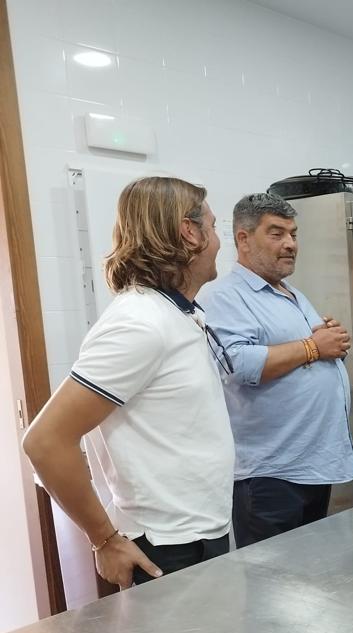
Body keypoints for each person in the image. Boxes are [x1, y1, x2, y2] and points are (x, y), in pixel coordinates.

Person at [22, 176, 234, 589]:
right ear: (190, 233)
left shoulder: (179, 313)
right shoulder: (139, 322)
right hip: (166, 548)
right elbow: (44, 441)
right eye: (213, 226)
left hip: (200, 533)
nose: (218, 241)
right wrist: (104, 540)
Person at [200, 193, 353, 547]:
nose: (290, 244)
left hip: (312, 465)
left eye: (294, 234)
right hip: (271, 475)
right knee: (272, 587)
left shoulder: (292, 294)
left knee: (311, 577)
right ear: (243, 238)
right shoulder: (225, 296)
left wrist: (330, 342)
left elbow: (321, 352)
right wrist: (314, 346)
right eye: (276, 234)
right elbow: (240, 364)